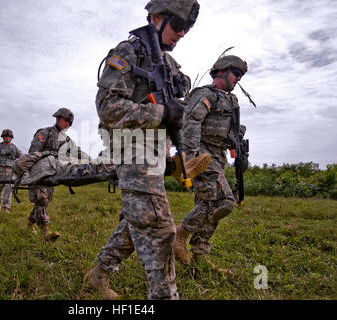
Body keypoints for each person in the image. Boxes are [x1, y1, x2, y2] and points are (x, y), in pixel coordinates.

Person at [84, 0, 201, 300]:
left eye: (186, 29)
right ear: (157, 18)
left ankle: (99, 274)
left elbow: (177, 115)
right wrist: (160, 114)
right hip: (132, 152)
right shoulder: (127, 52)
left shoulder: (170, 66)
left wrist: (182, 152)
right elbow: (107, 108)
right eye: (177, 26)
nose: (182, 34)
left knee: (135, 221)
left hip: (157, 155)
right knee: (160, 230)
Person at [173, 55, 249, 275]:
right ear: (222, 71)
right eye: (236, 74)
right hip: (203, 153)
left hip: (219, 154)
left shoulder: (231, 101)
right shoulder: (205, 95)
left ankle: (200, 255)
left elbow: (232, 131)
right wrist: (190, 155)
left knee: (209, 204)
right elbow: (192, 121)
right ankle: (180, 235)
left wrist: (239, 150)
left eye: (241, 76)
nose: (238, 79)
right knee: (223, 201)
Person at [27, 107, 90, 242]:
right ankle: (46, 232)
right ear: (58, 118)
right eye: (65, 120)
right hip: (39, 172)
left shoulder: (66, 139)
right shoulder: (45, 133)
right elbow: (33, 153)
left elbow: (76, 151)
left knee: (44, 201)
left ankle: (30, 223)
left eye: (69, 123)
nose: (67, 124)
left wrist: (91, 160)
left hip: (52, 173)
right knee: (42, 199)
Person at [0, 129, 22, 213]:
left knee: (8, 189)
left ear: (11, 138)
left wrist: (17, 166)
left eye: (9, 136)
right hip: (0, 171)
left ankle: (6, 207)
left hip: (10, 171)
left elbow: (21, 157)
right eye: (5, 136)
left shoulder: (14, 148)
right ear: (3, 137)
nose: (7, 138)